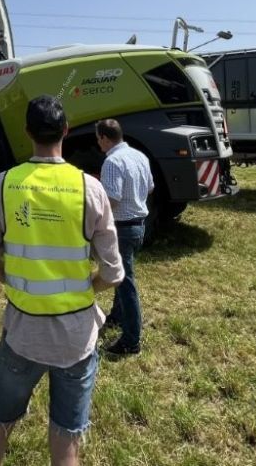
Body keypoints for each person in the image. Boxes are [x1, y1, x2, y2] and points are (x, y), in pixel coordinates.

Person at [0, 96, 124, 466]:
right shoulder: (89, 187)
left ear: (27, 133)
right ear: (66, 131)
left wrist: (17, 282)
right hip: (76, 336)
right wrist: (88, 288)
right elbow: (113, 271)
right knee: (66, 438)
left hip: (22, 332)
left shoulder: (5, 185)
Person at [95, 118, 153, 356]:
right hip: (139, 225)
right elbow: (150, 187)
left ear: (105, 138)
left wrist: (94, 215)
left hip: (122, 228)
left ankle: (131, 341)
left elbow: (113, 199)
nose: (98, 144)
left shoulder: (112, 161)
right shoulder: (139, 156)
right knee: (122, 274)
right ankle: (118, 317)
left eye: (98, 139)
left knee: (126, 282)